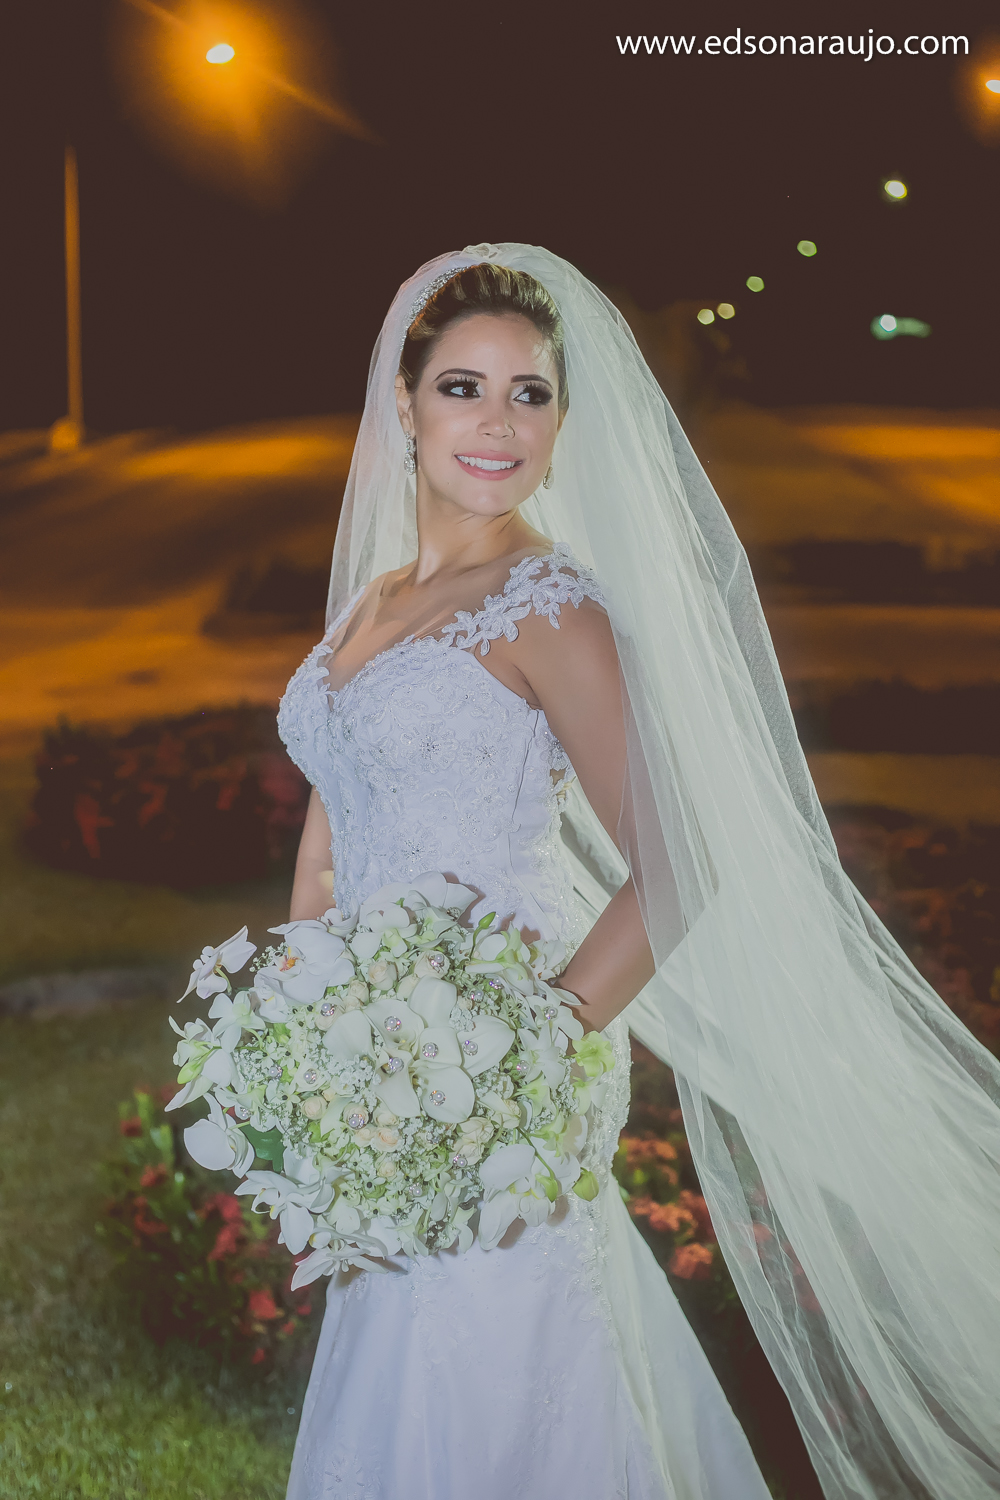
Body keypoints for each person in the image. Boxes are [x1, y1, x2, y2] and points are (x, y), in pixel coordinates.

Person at [278, 246, 1000, 1500]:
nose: (498, 424)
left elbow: (683, 855)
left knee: (499, 1366)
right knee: (402, 1367)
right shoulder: (375, 601)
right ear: (402, 404)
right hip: (371, 1073)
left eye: (531, 394)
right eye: (463, 387)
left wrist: (522, 1050)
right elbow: (332, 831)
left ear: (563, 419)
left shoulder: (546, 603)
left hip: (505, 1071)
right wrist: (303, 1030)